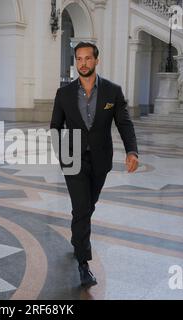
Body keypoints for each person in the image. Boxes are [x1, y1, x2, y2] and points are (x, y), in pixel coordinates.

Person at [50, 42, 139, 288]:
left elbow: (124, 123)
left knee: (87, 207)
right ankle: (83, 262)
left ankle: (77, 238)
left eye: (88, 58)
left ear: (96, 60)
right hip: (73, 159)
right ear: (75, 61)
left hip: (100, 160)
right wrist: (62, 156)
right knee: (81, 209)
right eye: (79, 59)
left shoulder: (113, 91)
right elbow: (55, 127)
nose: (83, 63)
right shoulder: (64, 94)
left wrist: (132, 151)